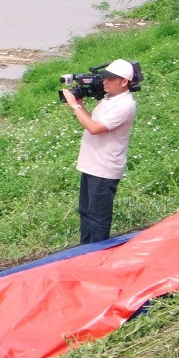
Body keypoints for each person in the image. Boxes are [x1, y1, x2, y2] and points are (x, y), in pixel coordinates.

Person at [64, 60, 138, 244]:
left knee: (98, 217)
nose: (105, 81)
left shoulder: (125, 105)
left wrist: (74, 105)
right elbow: (92, 121)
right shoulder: (108, 99)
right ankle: (84, 251)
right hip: (91, 165)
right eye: (104, 77)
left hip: (104, 168)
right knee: (86, 212)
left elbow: (95, 128)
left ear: (124, 82)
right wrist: (80, 106)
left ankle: (96, 255)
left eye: (111, 79)